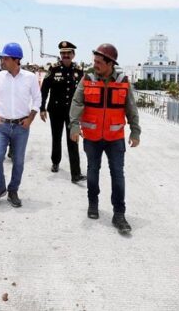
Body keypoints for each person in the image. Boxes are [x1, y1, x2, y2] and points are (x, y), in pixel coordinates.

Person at [69, 43, 141, 234]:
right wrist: (74, 126)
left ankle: (119, 214)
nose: (95, 65)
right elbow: (77, 102)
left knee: (118, 174)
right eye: (94, 61)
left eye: (99, 62)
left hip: (115, 137)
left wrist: (135, 131)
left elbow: (131, 108)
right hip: (92, 137)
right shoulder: (87, 78)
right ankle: (93, 203)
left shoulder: (123, 81)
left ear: (110, 63)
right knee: (93, 171)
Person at [0, 42, 41, 208]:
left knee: (18, 161)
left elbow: (37, 99)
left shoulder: (30, 78)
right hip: (1, 126)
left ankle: (13, 190)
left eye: (5, 58)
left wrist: (30, 118)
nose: (2, 61)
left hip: (21, 127)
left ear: (16, 60)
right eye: (1, 58)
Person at [40, 40, 86, 183]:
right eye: (63, 53)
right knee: (56, 137)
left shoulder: (79, 70)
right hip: (55, 110)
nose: (65, 56)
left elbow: (84, 93)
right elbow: (44, 89)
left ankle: (76, 174)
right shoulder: (53, 69)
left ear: (73, 54)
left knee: (73, 140)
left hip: (72, 112)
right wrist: (42, 108)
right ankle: (55, 161)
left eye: (68, 53)